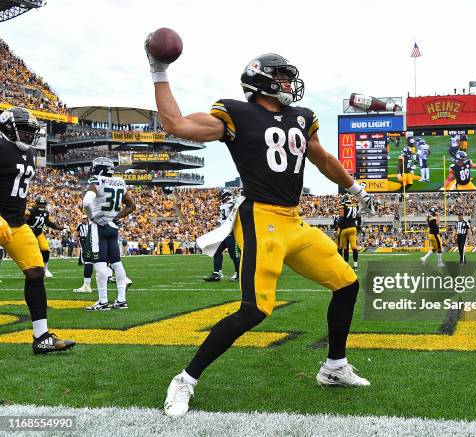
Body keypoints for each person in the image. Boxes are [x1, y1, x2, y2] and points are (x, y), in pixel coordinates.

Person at [145, 40, 376, 417]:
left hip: (293, 220)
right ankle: (184, 380)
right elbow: (179, 124)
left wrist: (353, 187)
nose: (289, 84)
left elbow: (323, 159)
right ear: (263, 81)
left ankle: (334, 367)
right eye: (283, 77)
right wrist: (160, 70)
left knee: (347, 284)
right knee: (255, 310)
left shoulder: (302, 117)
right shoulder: (235, 113)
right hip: (261, 219)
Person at [0, 107, 76, 354]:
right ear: (8, 128)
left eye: (30, 132)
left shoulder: (30, 153)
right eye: (23, 130)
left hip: (16, 224)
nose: (27, 136)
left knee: (35, 273)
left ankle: (41, 337)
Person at [82, 157, 136, 311]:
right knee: (116, 263)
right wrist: (115, 217)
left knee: (100, 264)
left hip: (98, 227)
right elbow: (132, 205)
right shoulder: (119, 181)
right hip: (113, 226)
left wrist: (92, 216)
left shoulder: (97, 180)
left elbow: (86, 202)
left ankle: (103, 301)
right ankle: (121, 300)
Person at [203, 189, 240, 282]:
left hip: (231, 233)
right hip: (223, 233)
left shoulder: (232, 203)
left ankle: (239, 273)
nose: (220, 197)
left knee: (234, 255)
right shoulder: (224, 205)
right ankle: (216, 274)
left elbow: (236, 210)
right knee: (216, 252)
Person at [25, 196, 61, 278]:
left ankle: (45, 269)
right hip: (29, 234)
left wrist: (57, 227)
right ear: (36, 204)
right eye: (40, 204)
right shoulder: (30, 211)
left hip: (38, 233)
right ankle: (29, 270)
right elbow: (23, 220)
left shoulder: (45, 213)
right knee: (30, 253)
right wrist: (28, 227)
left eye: (43, 204)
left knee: (45, 250)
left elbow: (47, 222)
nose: (42, 206)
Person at [335, 194, 361, 271]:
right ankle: (355, 266)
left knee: (341, 247)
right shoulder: (355, 205)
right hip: (353, 228)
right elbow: (359, 217)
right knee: (354, 247)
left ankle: (342, 264)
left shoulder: (343, 205)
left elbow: (342, 217)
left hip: (345, 229)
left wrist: (337, 226)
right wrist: (358, 226)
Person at [74, 214, 93, 293]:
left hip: (89, 239)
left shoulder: (89, 224)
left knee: (88, 257)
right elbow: (76, 231)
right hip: (83, 239)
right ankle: (84, 261)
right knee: (84, 252)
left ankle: (85, 262)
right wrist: (75, 239)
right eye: (83, 219)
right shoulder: (80, 225)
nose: (85, 220)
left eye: (86, 218)